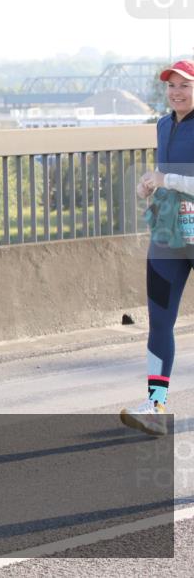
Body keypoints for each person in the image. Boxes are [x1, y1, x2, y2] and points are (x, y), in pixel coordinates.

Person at [121, 58, 194, 436]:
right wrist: (149, 185)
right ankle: (156, 404)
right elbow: (165, 174)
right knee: (159, 321)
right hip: (168, 236)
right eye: (171, 85)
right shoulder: (164, 124)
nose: (177, 92)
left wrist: (169, 177)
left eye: (184, 85)